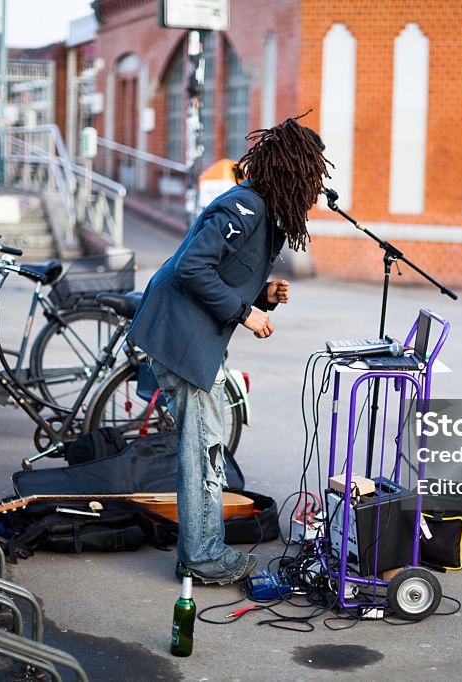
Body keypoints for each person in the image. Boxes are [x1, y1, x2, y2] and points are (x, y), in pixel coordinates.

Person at [128, 115, 332, 585]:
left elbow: (221, 273)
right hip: (180, 340)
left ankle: (200, 550)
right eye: (313, 176)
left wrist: (263, 297)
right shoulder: (244, 206)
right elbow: (192, 269)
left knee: (207, 447)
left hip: (192, 341)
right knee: (202, 452)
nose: (315, 189)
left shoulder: (261, 210)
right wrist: (246, 313)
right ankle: (202, 557)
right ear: (292, 171)